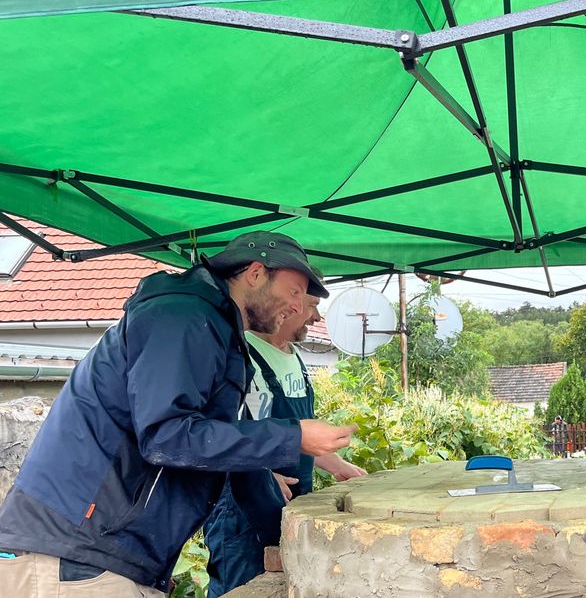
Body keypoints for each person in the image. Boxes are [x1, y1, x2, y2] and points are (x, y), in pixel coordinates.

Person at [0, 231, 357, 597]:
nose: (298, 307)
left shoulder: (217, 330)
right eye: (294, 292)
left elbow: (221, 442)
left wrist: (290, 538)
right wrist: (293, 436)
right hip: (77, 553)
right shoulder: (182, 316)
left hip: (111, 553)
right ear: (254, 274)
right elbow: (167, 436)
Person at [204, 291, 366, 596]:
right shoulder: (241, 354)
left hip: (292, 504)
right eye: (313, 306)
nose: (317, 317)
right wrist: (260, 471)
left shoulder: (295, 358)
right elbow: (214, 435)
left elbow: (299, 438)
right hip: (242, 514)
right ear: (288, 305)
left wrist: (337, 464)